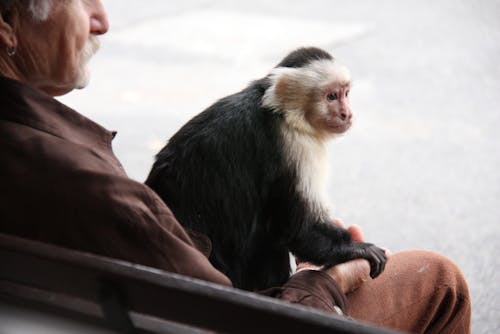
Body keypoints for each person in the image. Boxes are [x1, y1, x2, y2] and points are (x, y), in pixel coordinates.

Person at [0, 1, 471, 333]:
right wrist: (322, 280)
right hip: (234, 312)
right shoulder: (87, 187)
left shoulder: (33, 154)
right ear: (7, 22)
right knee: (438, 278)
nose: (103, 20)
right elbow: (225, 316)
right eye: (81, 0)